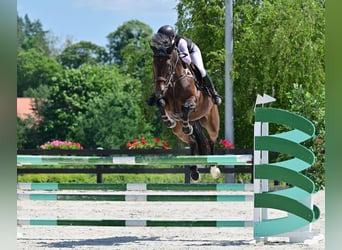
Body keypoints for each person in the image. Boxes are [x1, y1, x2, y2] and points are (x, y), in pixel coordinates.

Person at [148, 25, 222, 106]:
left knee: (201, 70)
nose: (161, 40)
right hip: (178, 59)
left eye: (163, 37)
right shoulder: (164, 44)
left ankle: (214, 92)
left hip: (191, 52)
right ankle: (156, 94)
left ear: (171, 37)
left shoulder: (181, 42)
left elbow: (188, 60)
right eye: (160, 37)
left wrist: (178, 55)